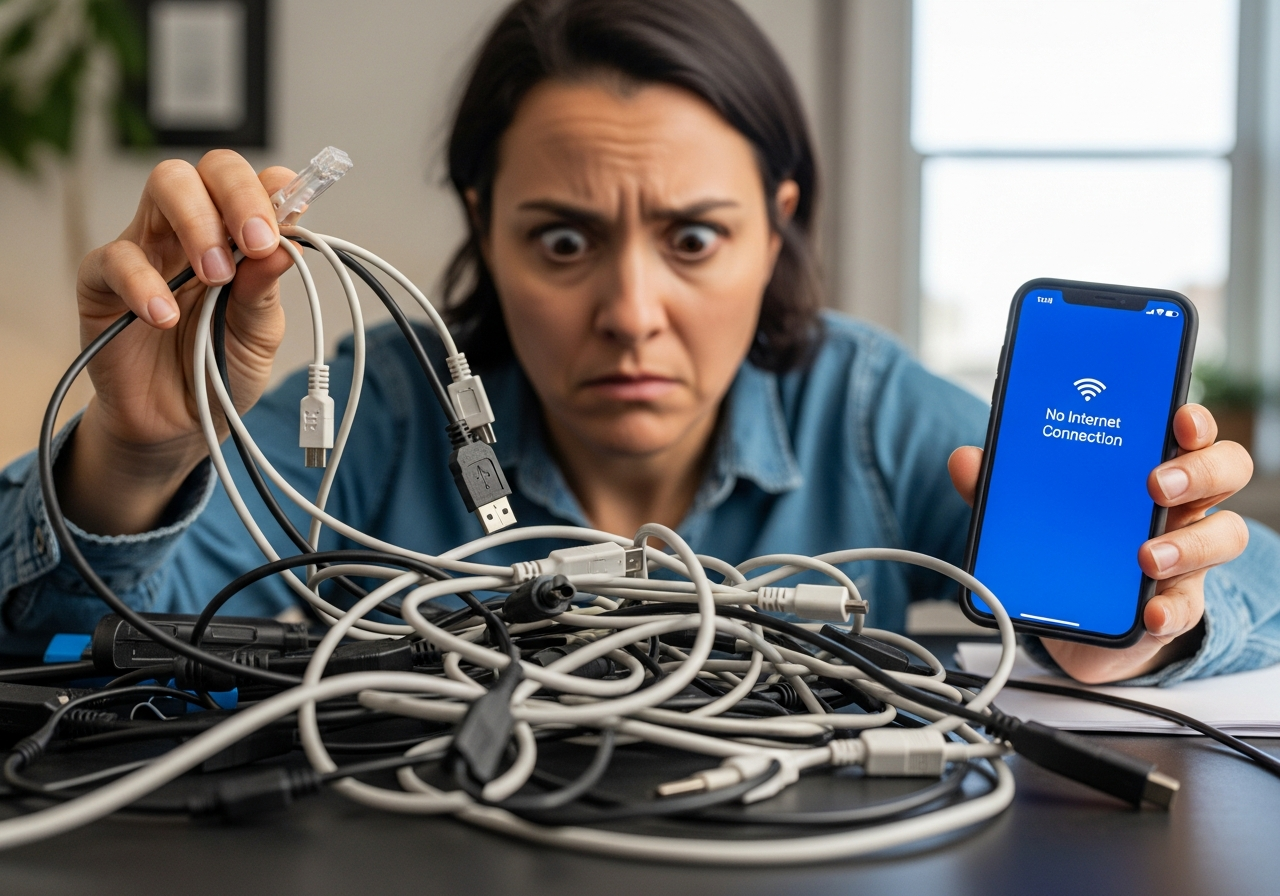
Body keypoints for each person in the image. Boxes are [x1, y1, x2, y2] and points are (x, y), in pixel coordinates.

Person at [0, 0, 1274, 686]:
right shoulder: (372, 415)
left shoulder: (867, 409)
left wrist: (1159, 608)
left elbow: (1257, 598)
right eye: (559, 241)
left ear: (779, 229)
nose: (629, 309)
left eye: (695, 239)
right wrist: (132, 457)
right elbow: (66, 645)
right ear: (481, 227)